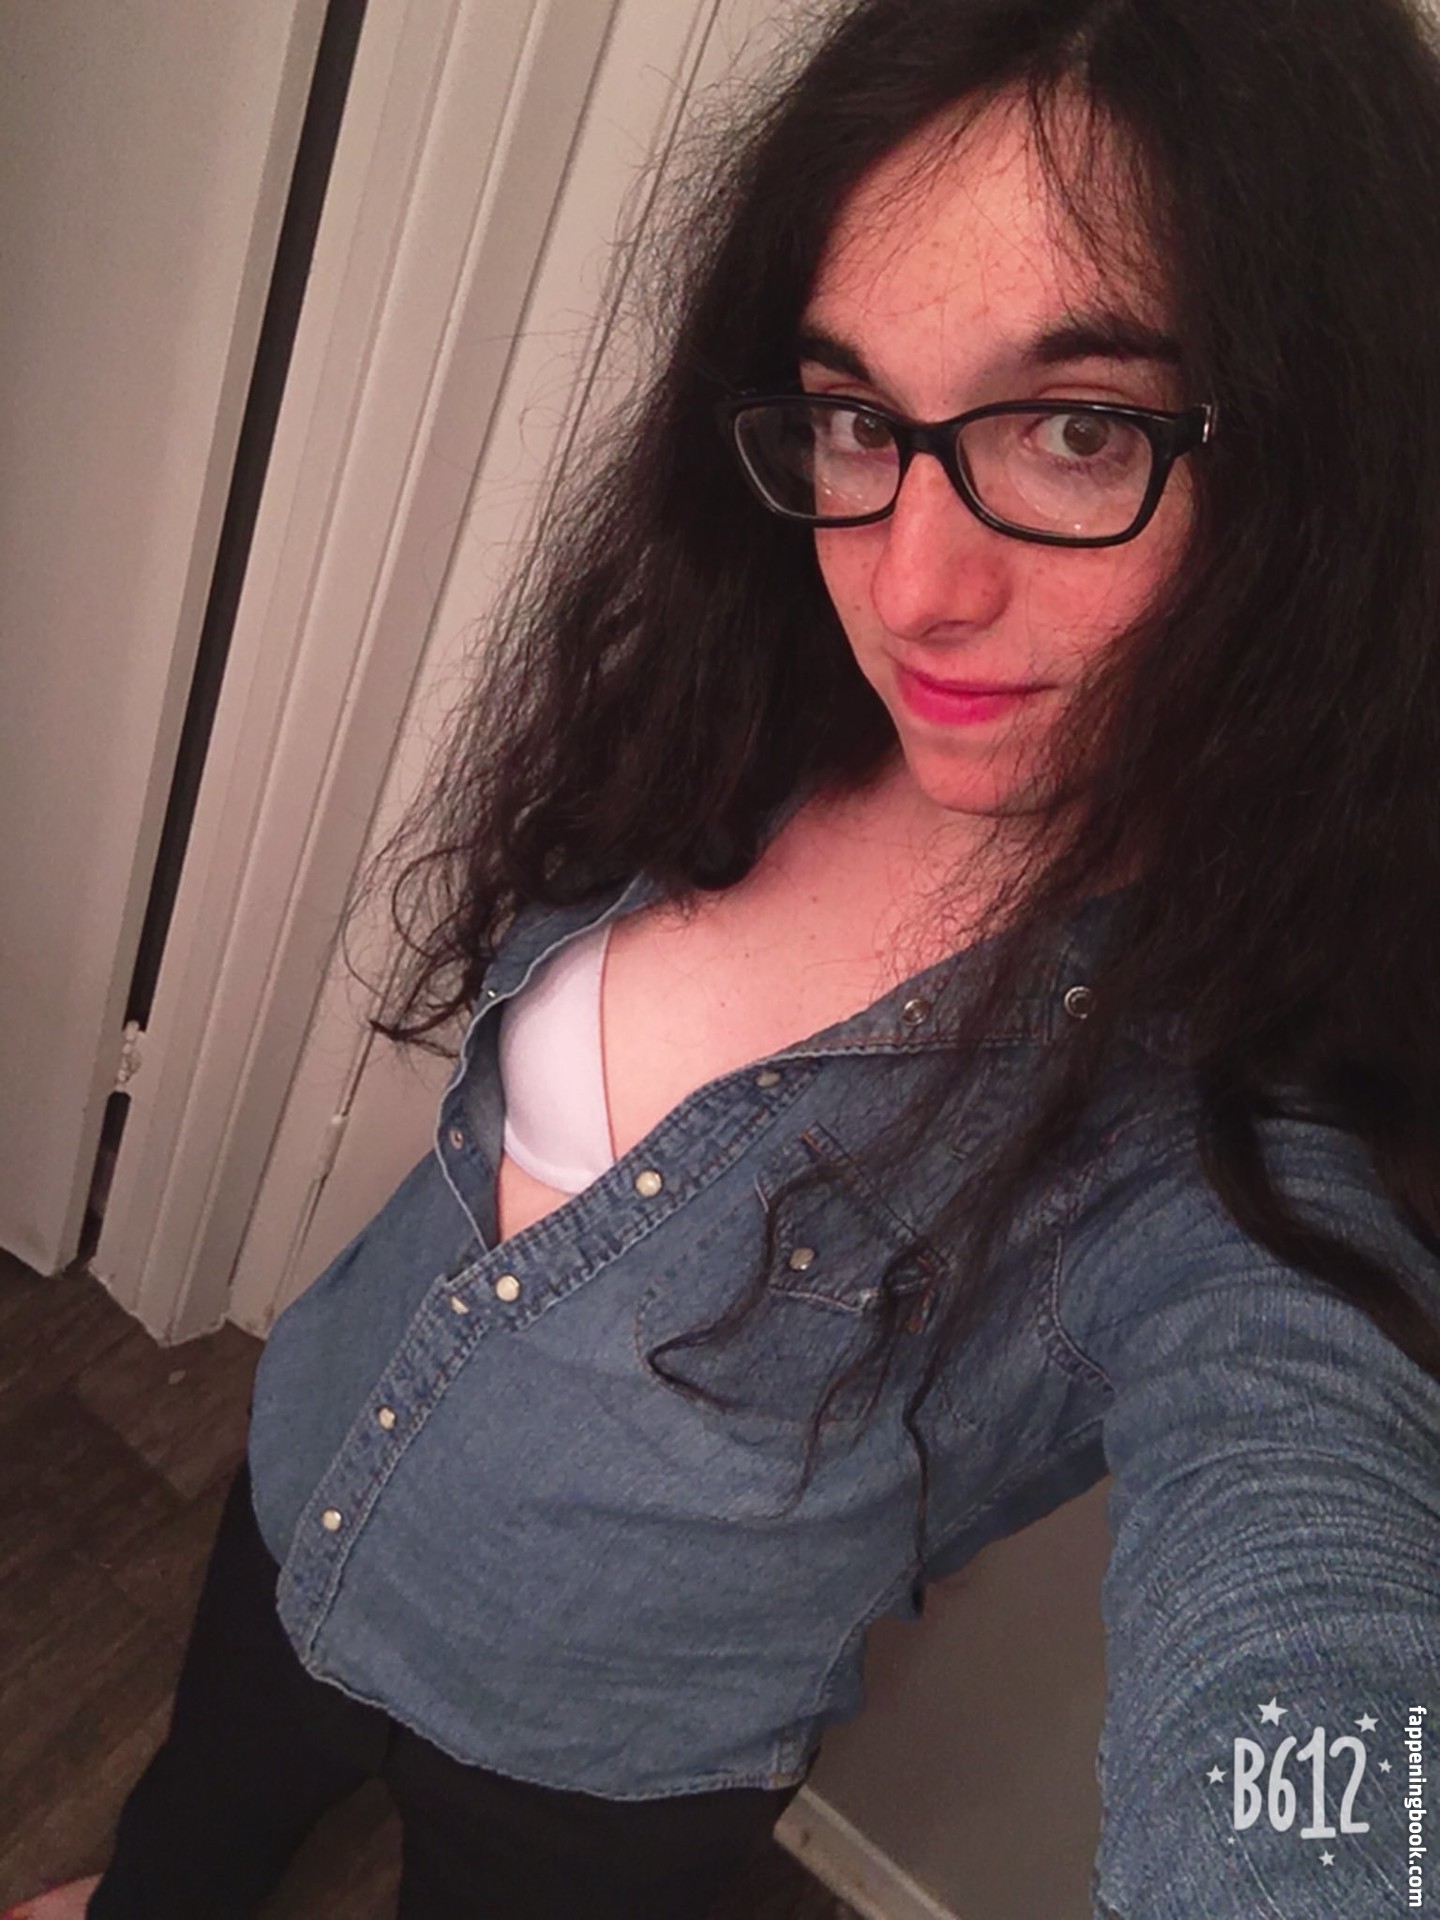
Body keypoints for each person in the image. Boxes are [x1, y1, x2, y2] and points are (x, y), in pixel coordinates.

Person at [17, 0, 1440, 1914]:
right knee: (187, 1833)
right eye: (860, 418)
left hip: (592, 1756)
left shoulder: (1227, 1130)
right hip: (321, 1465)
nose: (910, 583)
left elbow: (1317, 1622)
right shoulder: (752, 702)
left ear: (1339, 474)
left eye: (1081, 428)